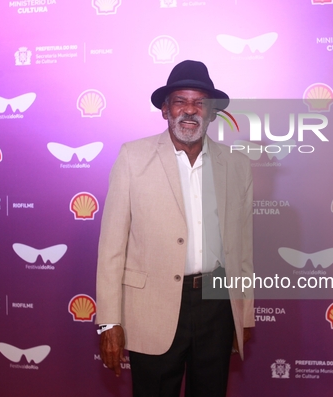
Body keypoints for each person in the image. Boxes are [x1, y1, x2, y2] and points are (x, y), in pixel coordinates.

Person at [96, 60, 254, 397]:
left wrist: (245, 312)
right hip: (151, 308)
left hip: (217, 305)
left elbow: (243, 248)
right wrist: (109, 321)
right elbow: (111, 247)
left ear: (211, 113)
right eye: (181, 101)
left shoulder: (237, 166)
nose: (190, 111)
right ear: (165, 110)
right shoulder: (132, 158)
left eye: (199, 103)